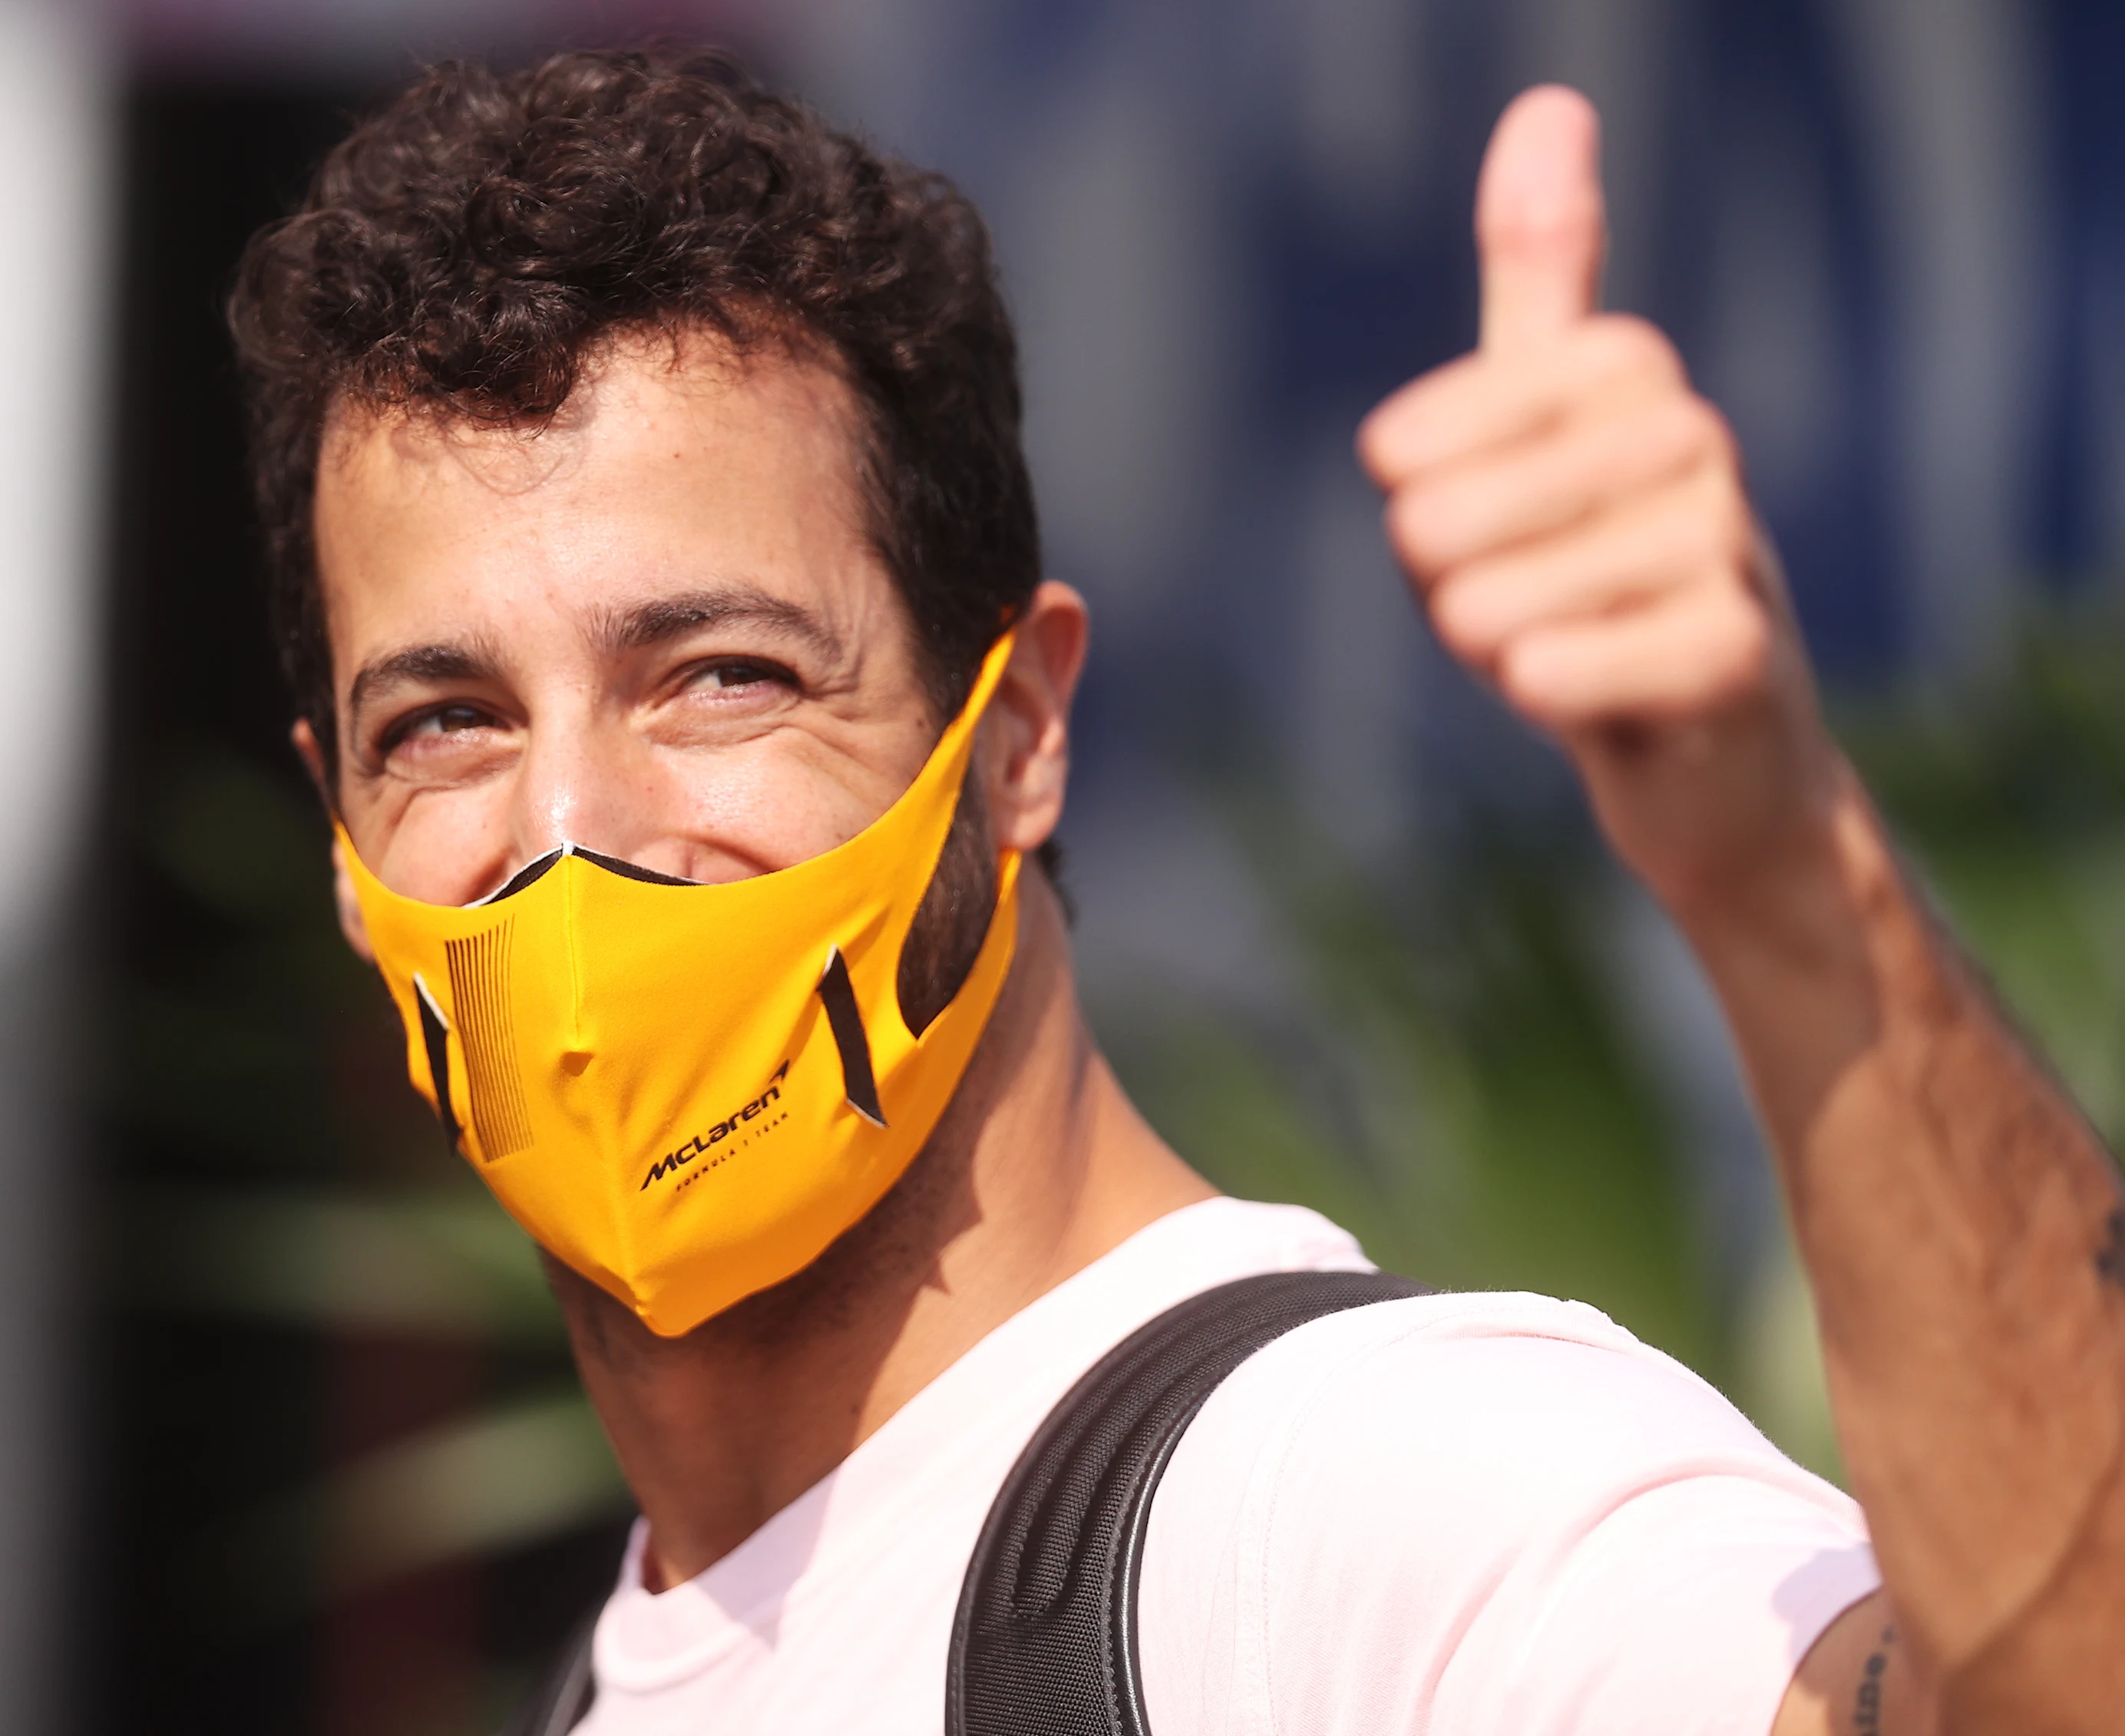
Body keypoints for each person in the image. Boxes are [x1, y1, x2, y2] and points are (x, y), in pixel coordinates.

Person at [226, 49, 2125, 1734]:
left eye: (722, 675)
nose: (573, 825)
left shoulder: (1363, 1504)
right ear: (342, 835)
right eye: (448, 721)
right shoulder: (642, 1662)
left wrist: (1791, 880)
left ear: (1022, 729)